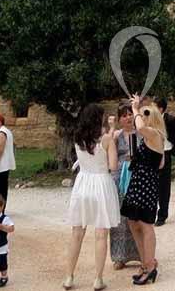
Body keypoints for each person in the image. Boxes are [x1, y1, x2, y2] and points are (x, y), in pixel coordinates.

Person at [63, 104, 120, 291]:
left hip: (83, 183)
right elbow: (113, 167)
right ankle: (97, 279)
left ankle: (69, 276)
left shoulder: (77, 138)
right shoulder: (106, 140)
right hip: (101, 184)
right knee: (101, 234)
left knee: (77, 233)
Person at [121, 94, 164, 285]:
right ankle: (146, 261)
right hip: (138, 183)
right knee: (133, 222)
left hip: (145, 186)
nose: (141, 119)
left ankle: (150, 266)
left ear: (152, 118)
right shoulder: (150, 138)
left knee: (146, 225)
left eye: (145, 116)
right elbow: (161, 164)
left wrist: (136, 108)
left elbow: (139, 127)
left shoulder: (155, 135)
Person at [110, 102, 141, 270]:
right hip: (120, 179)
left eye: (130, 114)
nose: (128, 117)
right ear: (120, 119)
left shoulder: (141, 134)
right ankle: (119, 256)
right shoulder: (116, 135)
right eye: (124, 115)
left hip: (137, 178)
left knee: (137, 218)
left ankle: (141, 254)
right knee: (120, 219)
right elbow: (109, 155)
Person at [154, 97, 175, 227]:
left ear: (161, 109)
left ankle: (162, 215)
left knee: (163, 186)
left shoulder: (170, 120)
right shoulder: (152, 120)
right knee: (153, 184)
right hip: (154, 153)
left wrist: (173, 141)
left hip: (166, 153)